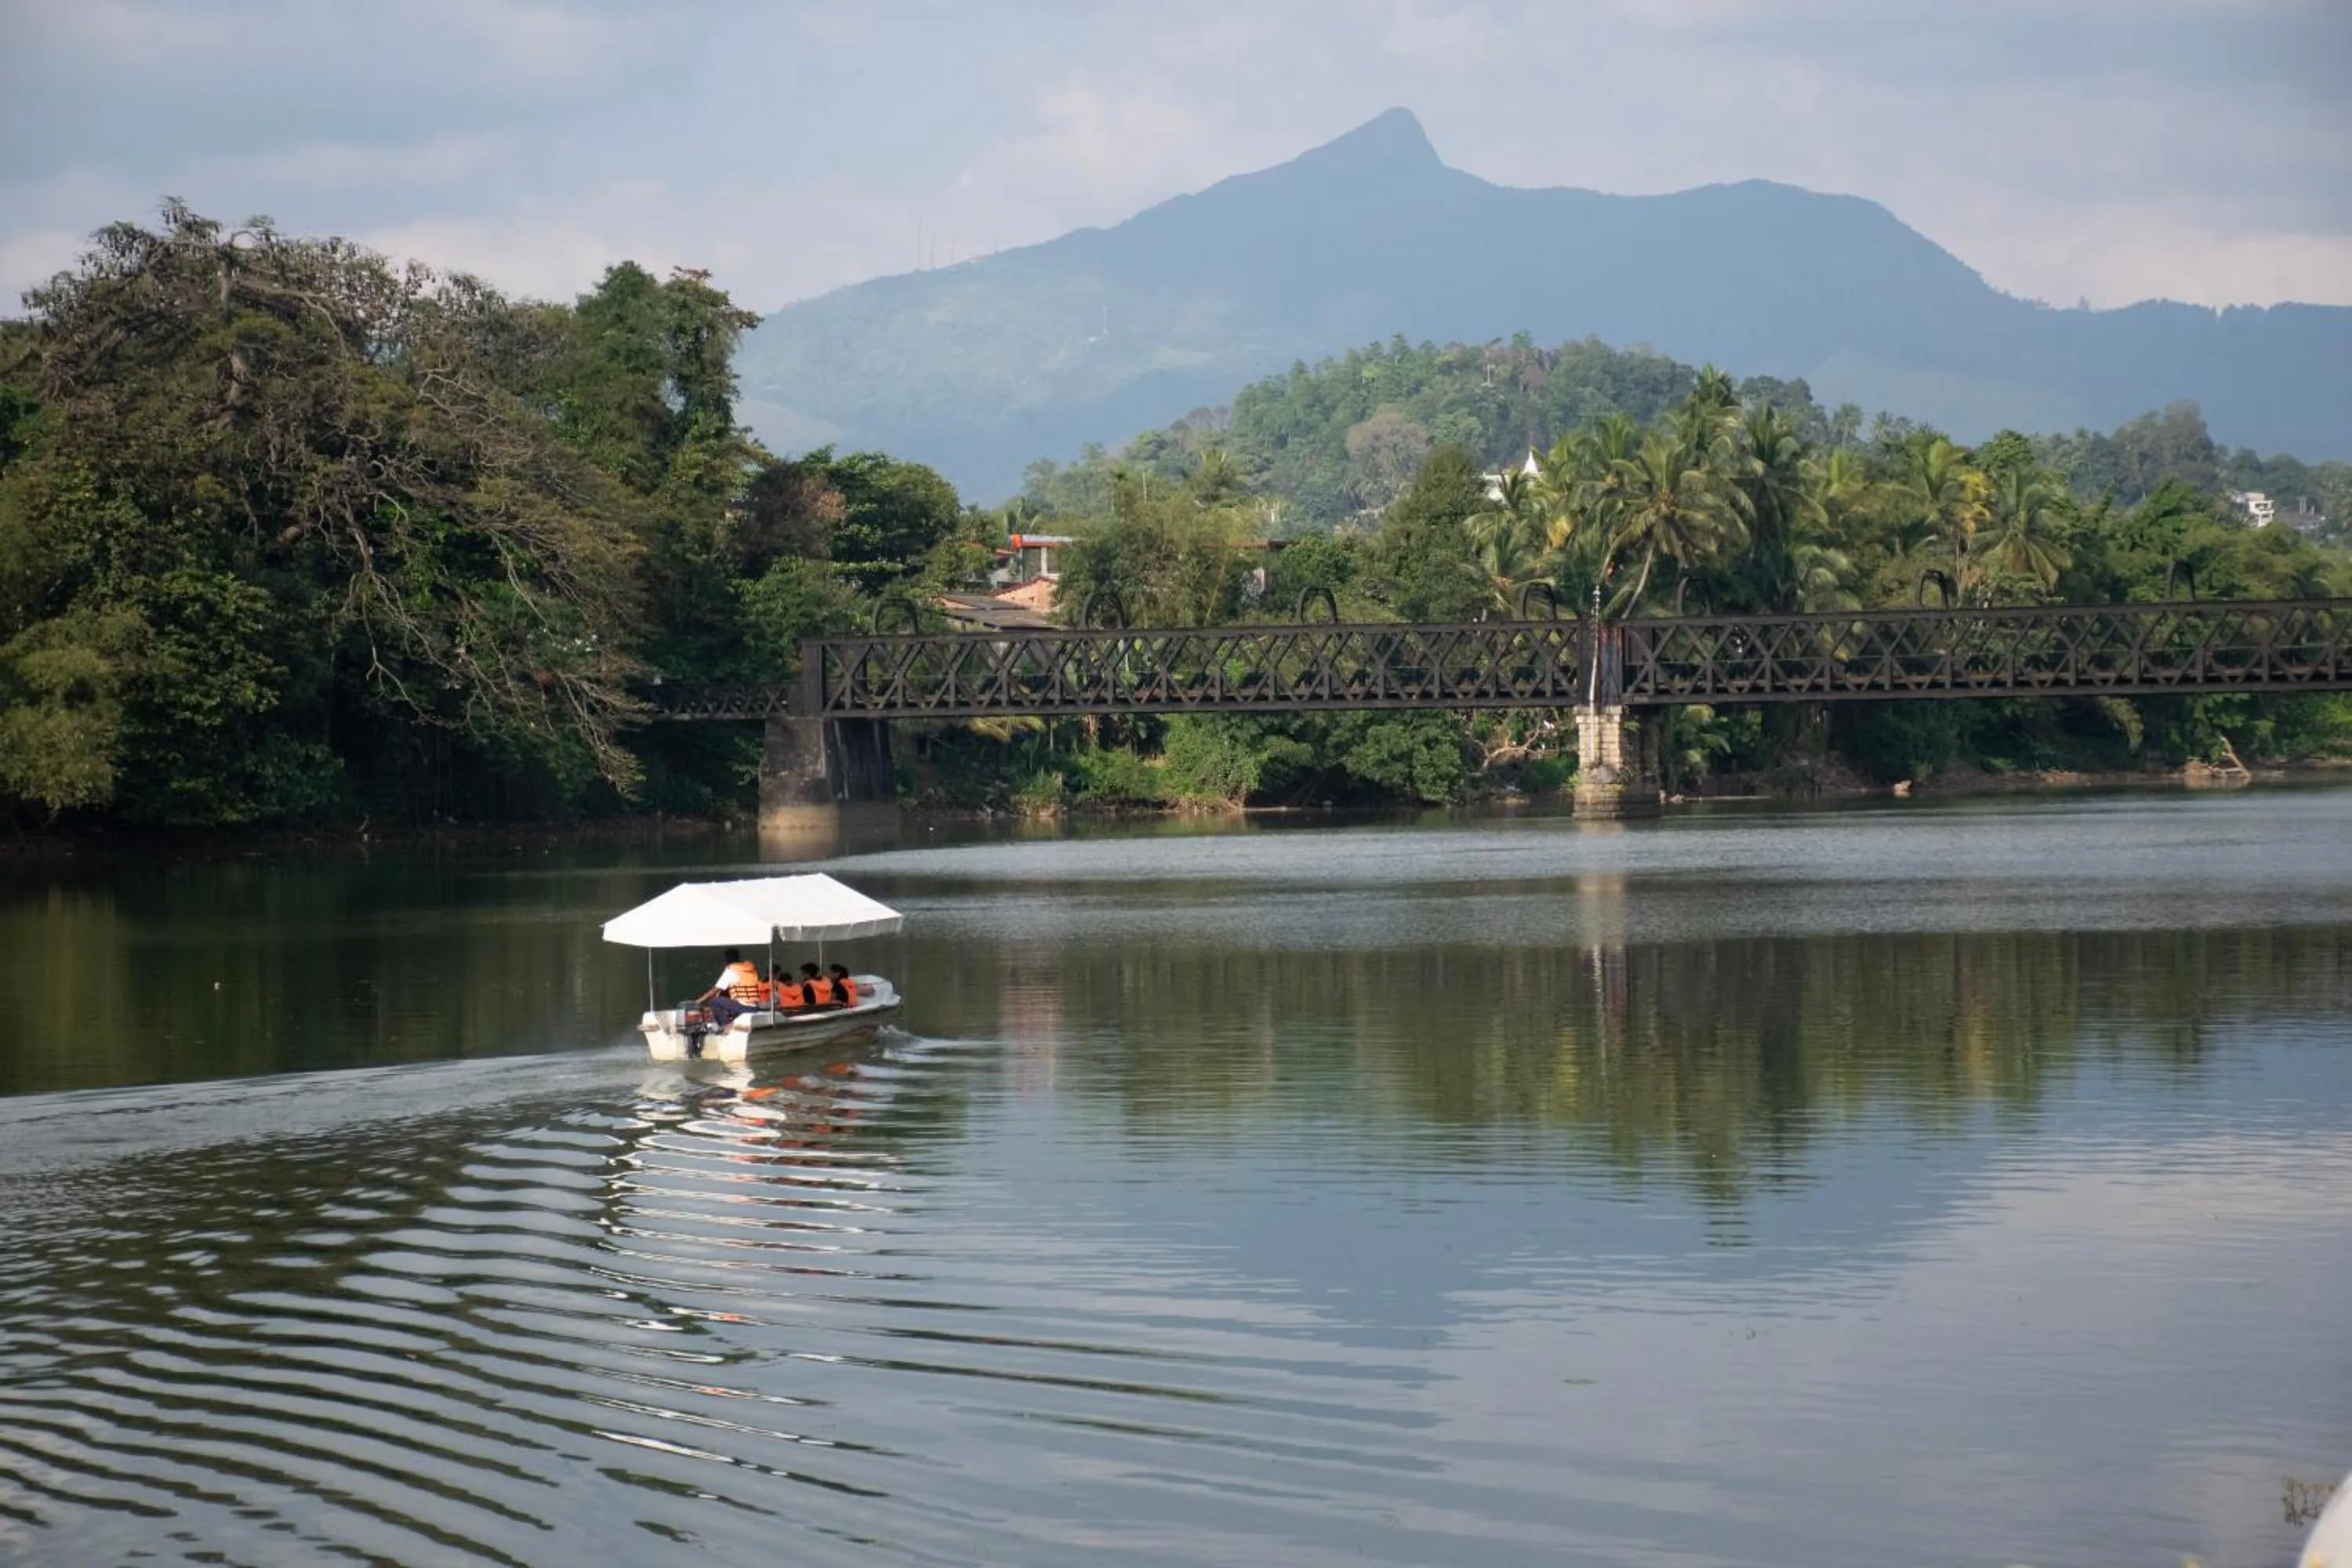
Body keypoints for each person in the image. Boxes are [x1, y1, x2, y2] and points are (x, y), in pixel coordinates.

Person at [695, 949, 764, 1026]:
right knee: (725, 997)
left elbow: (713, 991)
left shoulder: (731, 971)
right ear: (738, 957)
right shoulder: (750, 969)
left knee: (713, 1001)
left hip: (743, 1007)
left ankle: (725, 1026)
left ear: (727, 959)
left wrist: (697, 1002)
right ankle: (732, 1020)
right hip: (755, 1007)